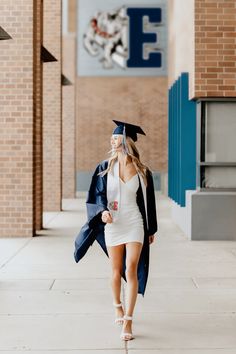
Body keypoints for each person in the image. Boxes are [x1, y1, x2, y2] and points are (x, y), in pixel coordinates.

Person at [74, 120, 158, 341]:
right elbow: (96, 195)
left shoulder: (142, 171)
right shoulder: (104, 168)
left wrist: (151, 229)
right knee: (115, 270)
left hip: (134, 223)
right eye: (111, 140)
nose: (112, 143)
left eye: (116, 140)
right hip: (113, 224)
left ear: (126, 142)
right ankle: (117, 307)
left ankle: (128, 320)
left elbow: (149, 202)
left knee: (131, 270)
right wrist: (102, 212)